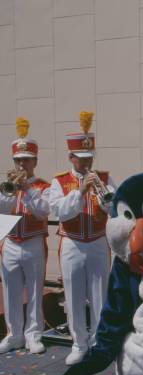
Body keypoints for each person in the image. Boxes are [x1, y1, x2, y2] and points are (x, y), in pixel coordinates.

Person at [48, 111, 116, 365]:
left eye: (89, 158)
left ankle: (99, 341)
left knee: (100, 292)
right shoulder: (59, 182)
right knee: (74, 294)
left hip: (98, 241)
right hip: (72, 242)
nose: (86, 164)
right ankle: (79, 343)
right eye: (81, 158)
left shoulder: (105, 178)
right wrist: (79, 191)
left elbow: (114, 207)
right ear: (71, 157)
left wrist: (102, 193)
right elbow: (61, 211)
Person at [0, 118, 50, 354]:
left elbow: (42, 210)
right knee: (10, 290)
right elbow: (2, 210)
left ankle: (34, 334)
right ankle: (14, 334)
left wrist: (27, 189)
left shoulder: (43, 185)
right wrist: (11, 190)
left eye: (25, 160)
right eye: (18, 160)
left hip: (33, 242)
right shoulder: (7, 185)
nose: (21, 165)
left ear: (35, 161)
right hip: (10, 242)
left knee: (34, 290)